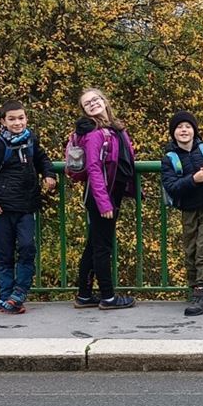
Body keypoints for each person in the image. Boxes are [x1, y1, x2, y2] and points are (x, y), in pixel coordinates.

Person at [0, 99, 57, 314]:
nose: (17, 123)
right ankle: (5, 297)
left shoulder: (31, 140)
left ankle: (19, 292)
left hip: (26, 206)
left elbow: (43, 159)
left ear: (26, 118)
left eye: (21, 118)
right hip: (3, 208)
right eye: (12, 119)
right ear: (3, 122)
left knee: (27, 248)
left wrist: (48, 174)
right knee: (5, 254)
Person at [72, 88, 137, 310]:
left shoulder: (113, 128)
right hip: (101, 195)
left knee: (93, 245)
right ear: (84, 110)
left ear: (104, 100)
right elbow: (94, 168)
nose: (93, 104)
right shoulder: (95, 133)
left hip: (110, 193)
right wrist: (104, 203)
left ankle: (84, 295)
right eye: (87, 103)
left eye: (96, 99)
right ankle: (108, 297)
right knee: (102, 247)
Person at [161, 110, 203, 316]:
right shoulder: (170, 158)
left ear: (194, 131)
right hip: (188, 209)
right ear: (173, 133)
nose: (184, 130)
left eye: (188, 127)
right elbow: (171, 186)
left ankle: (202, 290)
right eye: (179, 127)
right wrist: (193, 180)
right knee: (190, 249)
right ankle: (196, 290)